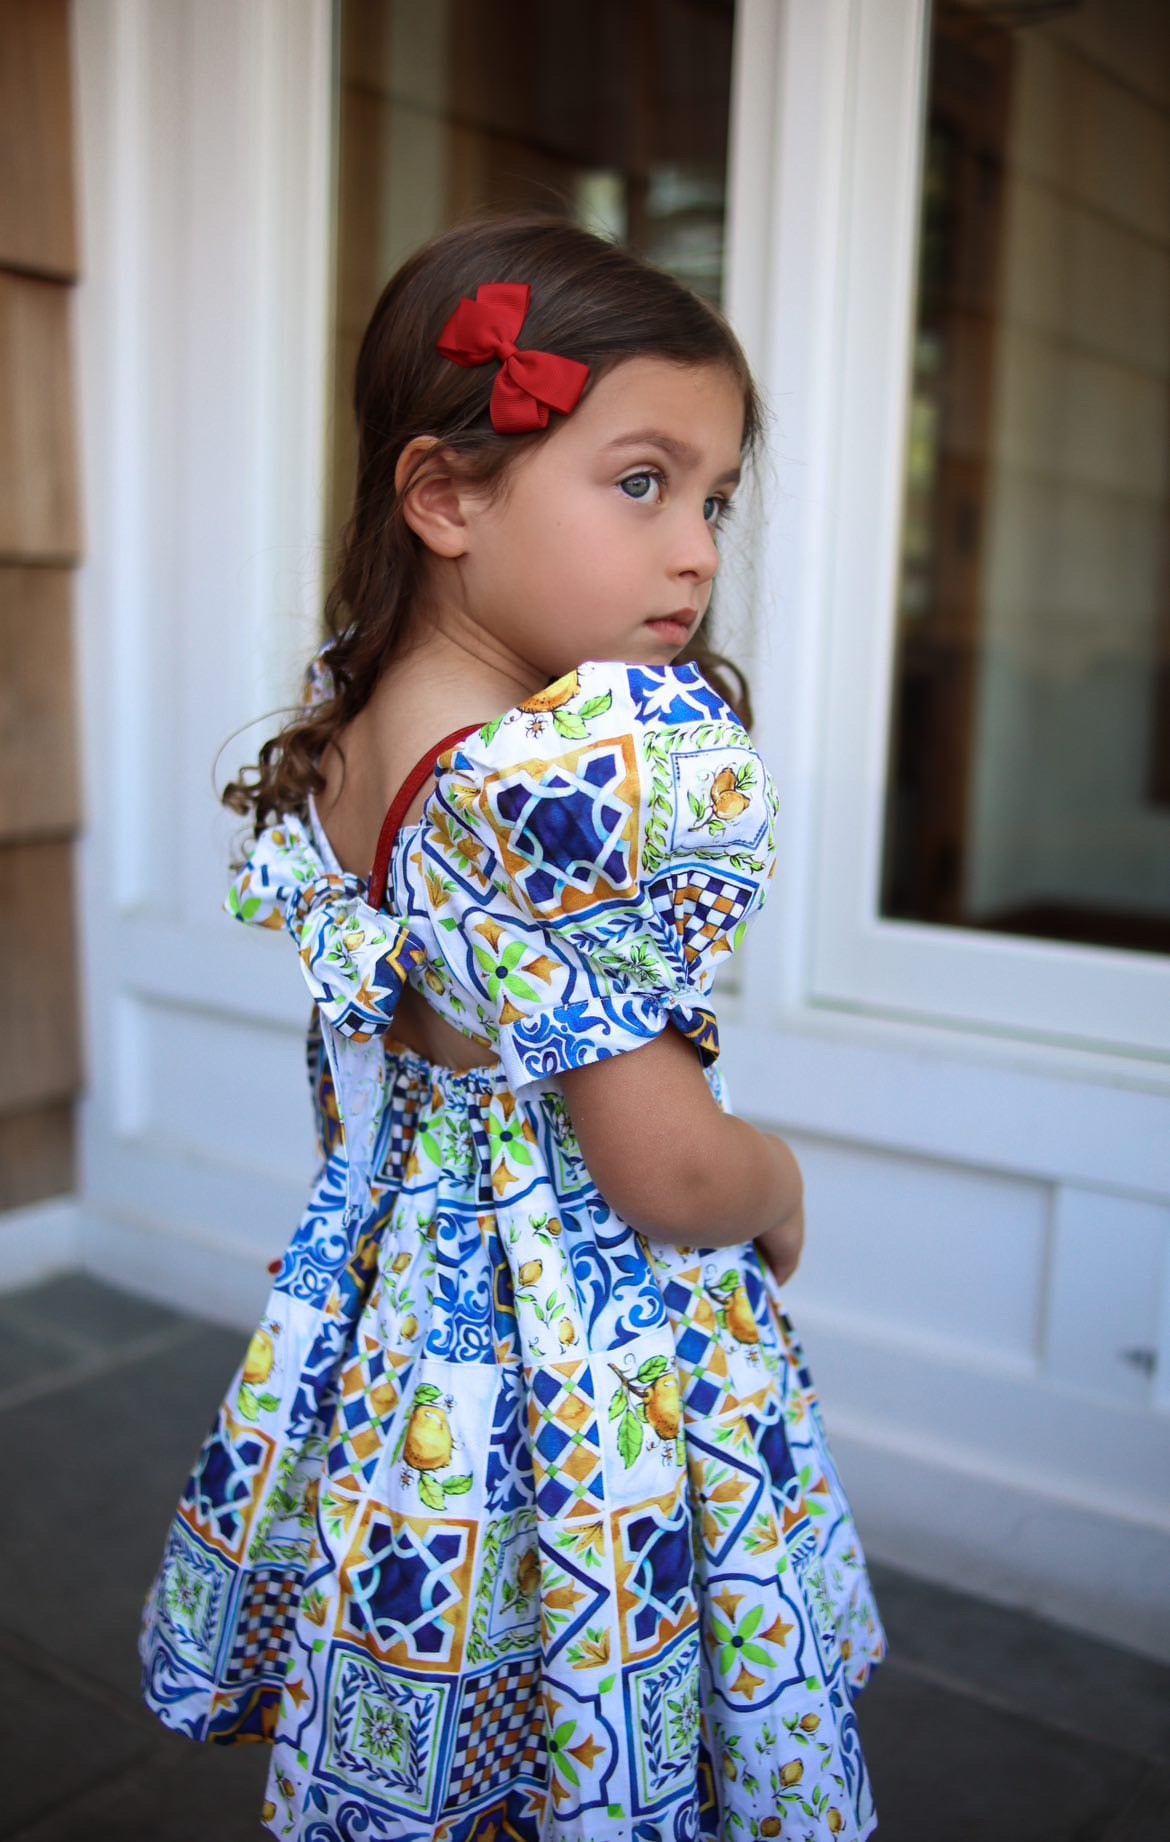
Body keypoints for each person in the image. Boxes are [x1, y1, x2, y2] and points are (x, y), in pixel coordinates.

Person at [140, 214, 885, 1842]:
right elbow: (665, 1175)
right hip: (579, 1364)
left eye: (713, 498)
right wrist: (774, 1177)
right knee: (592, 1687)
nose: (695, 550)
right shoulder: (545, 786)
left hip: (418, 1327)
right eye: (641, 482)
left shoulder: (367, 730)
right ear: (446, 495)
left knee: (459, 1693)